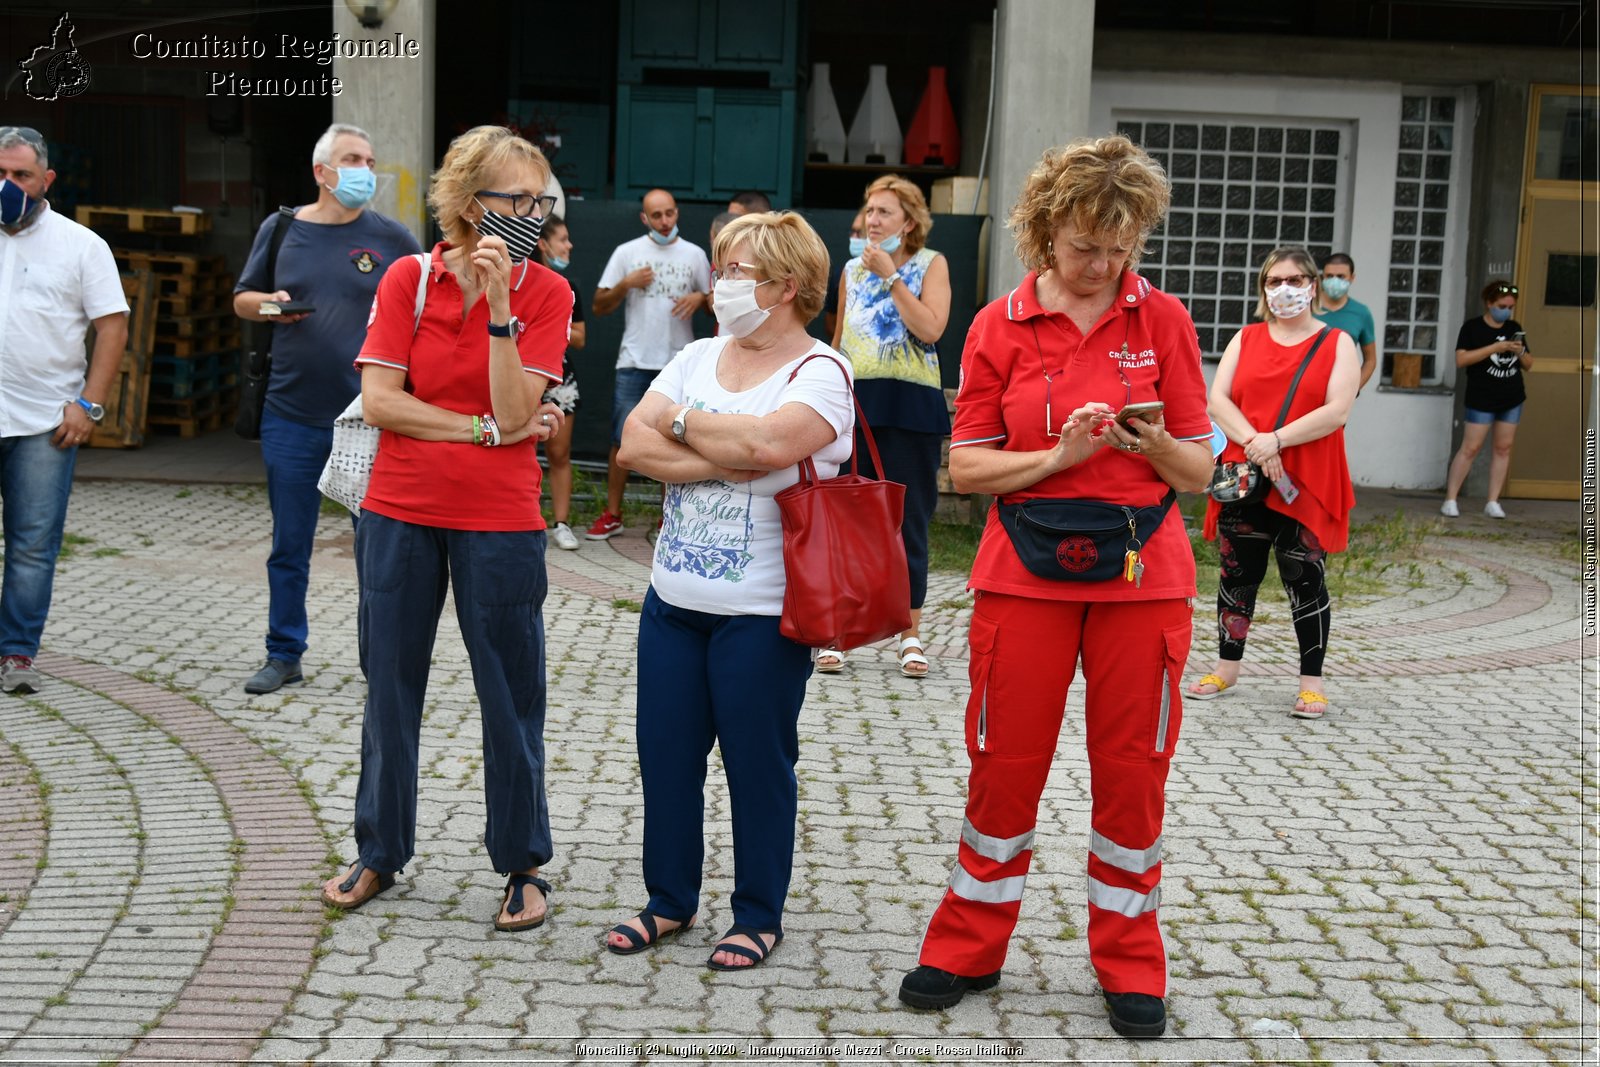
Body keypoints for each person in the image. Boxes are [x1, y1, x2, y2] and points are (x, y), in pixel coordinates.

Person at [897, 136, 1214, 1040]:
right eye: (1084, 245)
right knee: (1003, 767)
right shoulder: (999, 324)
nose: (1102, 264)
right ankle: (967, 944)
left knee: (1132, 776)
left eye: (1119, 247)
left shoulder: (1165, 323)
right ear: (1043, 232)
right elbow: (964, 470)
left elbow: (1196, 467)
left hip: (1142, 581)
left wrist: (1141, 442)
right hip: (1021, 582)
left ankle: (1128, 959)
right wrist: (1062, 454)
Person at [318, 126, 571, 932]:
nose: (531, 214)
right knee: (389, 682)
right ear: (469, 204)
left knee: (510, 690)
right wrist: (478, 434)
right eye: (516, 199)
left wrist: (501, 311)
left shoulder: (547, 294)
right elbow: (382, 400)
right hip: (399, 510)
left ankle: (523, 861)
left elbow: (516, 409)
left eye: (542, 201)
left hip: (500, 520)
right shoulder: (407, 279)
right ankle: (379, 849)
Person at [606, 211, 853, 971]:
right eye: (723, 266)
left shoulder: (822, 372)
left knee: (757, 764)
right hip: (672, 605)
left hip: (764, 612)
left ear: (786, 285)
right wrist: (715, 449)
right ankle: (669, 899)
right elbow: (632, 444)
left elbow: (770, 444)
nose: (722, 282)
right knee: (668, 757)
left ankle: (757, 913)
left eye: (739, 270)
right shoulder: (699, 357)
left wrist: (685, 430)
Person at [233, 122, 421, 694]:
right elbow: (244, 299)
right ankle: (284, 653)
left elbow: (426, 303)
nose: (365, 169)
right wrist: (270, 307)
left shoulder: (392, 237)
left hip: (368, 419)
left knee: (377, 553)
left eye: (369, 158)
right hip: (290, 413)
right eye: (352, 159)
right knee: (290, 544)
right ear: (322, 172)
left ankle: (379, 661)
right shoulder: (281, 227)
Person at [1187, 246, 1360, 720]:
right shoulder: (1246, 337)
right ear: (1263, 287)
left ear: (1313, 286)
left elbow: (1336, 410)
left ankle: (1311, 684)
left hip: (1306, 479)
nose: (1285, 289)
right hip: (1247, 475)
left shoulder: (1337, 343)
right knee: (1236, 574)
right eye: (1274, 280)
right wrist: (1257, 443)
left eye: (1296, 279)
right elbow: (1217, 399)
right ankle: (1226, 669)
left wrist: (1276, 440)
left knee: (1304, 577)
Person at [0, 125, 128, 696]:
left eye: (20, 176)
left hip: (45, 424)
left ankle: (16, 655)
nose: (9, 186)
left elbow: (112, 326)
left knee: (31, 545)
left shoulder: (81, 245)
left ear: (46, 180)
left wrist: (88, 405)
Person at [827, 175, 951, 678]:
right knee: (848, 520)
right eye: (870, 210)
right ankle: (838, 631)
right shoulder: (851, 271)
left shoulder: (931, 264)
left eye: (884, 212)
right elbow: (838, 340)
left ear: (910, 222)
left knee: (908, 522)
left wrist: (892, 278)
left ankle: (910, 633)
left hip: (912, 407)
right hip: (859, 405)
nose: (872, 220)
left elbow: (931, 328)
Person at [588, 189, 712, 540]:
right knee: (621, 437)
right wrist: (626, 283)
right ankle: (613, 513)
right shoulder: (627, 253)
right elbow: (599, 305)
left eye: (669, 213)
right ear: (644, 218)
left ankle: (668, 518)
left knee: (676, 439)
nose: (665, 221)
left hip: (679, 361)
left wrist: (701, 297)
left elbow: (715, 305)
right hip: (635, 359)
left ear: (677, 213)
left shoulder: (694, 254)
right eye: (656, 216)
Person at [1440, 280, 1531, 519]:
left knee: (1503, 448)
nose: (1506, 311)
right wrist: (1495, 348)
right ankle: (1450, 498)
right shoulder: (1472, 328)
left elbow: (1530, 364)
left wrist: (1519, 351)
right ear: (1489, 303)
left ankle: (1493, 501)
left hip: (1511, 397)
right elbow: (1461, 360)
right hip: (1481, 397)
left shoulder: (1514, 326)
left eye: (1510, 307)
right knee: (1470, 448)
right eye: (1502, 305)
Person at [536, 215, 586, 550]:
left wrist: (549, 325)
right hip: (523, 378)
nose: (568, 245)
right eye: (563, 239)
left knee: (559, 452)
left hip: (560, 382)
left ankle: (562, 523)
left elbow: (580, 337)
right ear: (543, 243)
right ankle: (524, 520)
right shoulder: (520, 282)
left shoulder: (569, 287)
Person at [1314, 253, 1377, 391]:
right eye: (1329, 276)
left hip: (1338, 391)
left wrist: (1353, 390)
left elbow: (1370, 360)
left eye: (1341, 277)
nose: (1334, 281)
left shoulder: (1361, 313)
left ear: (1352, 278)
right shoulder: (1307, 307)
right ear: (1322, 277)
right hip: (1302, 388)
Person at [823, 209, 866, 340]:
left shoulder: (908, 275)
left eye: (859, 233)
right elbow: (831, 325)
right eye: (852, 232)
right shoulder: (845, 273)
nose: (853, 237)